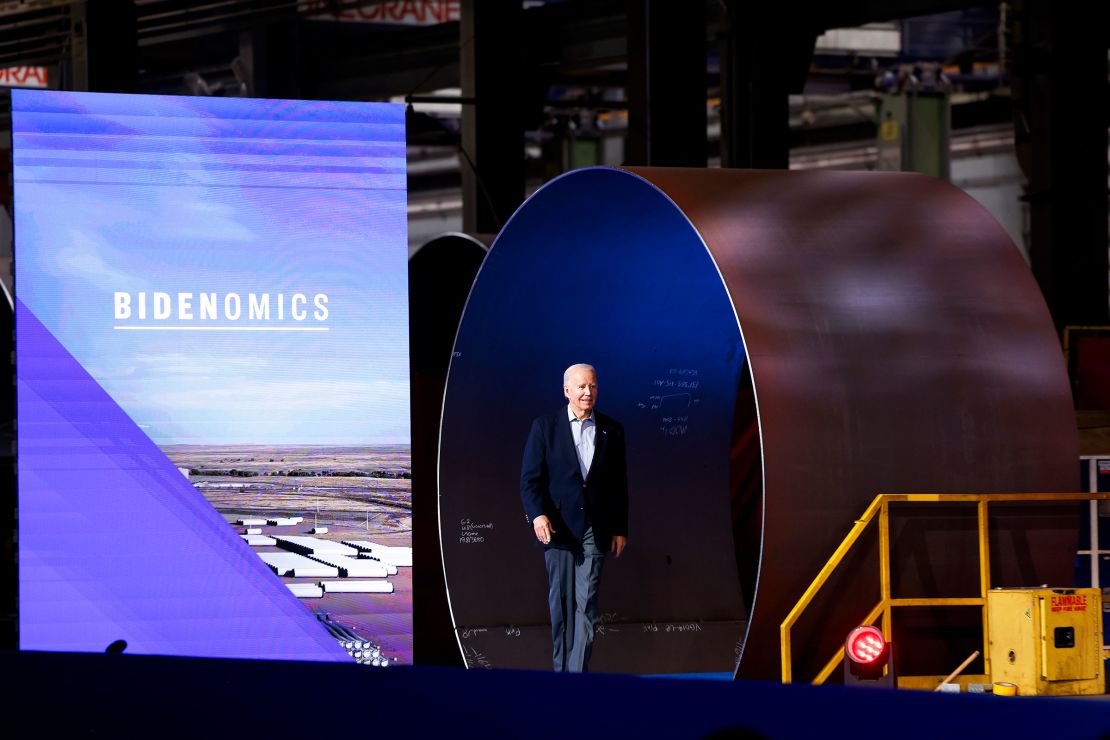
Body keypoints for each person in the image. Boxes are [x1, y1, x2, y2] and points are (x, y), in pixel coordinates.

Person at [520, 363, 628, 672]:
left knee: (587, 604)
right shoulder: (545, 427)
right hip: (558, 529)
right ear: (567, 390)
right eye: (581, 386)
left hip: (596, 528)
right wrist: (537, 515)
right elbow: (530, 480)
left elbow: (619, 484)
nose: (587, 392)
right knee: (562, 607)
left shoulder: (613, 429)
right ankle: (561, 673)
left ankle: (576, 678)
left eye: (592, 386)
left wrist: (620, 527)